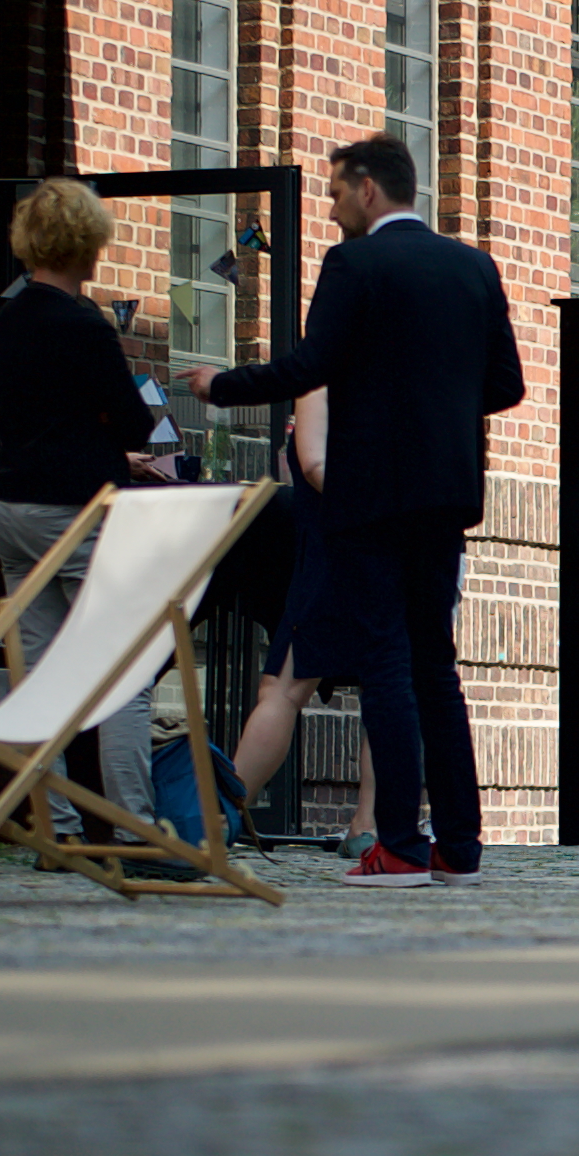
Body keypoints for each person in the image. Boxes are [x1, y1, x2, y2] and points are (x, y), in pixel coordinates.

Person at [185, 134, 524, 891]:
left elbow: (309, 368)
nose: (332, 206)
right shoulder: (474, 267)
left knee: (385, 665)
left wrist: (220, 385)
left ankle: (398, 845)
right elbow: (506, 384)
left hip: (370, 495)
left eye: (338, 191)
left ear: (370, 190)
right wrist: (438, 406)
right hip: (444, 495)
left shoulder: (355, 265)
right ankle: (458, 848)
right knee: (437, 666)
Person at [0, 177, 182, 875]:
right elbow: (133, 420)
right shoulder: (85, 324)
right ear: (86, 245)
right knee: (125, 668)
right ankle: (131, 831)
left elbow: (26, 414)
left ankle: (57, 831)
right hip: (75, 511)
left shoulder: (8, 316)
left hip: (10, 506)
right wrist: (112, 447)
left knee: (38, 675)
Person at [229, 386, 352, 822]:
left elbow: (316, 465)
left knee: (281, 690)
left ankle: (221, 815)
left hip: (335, 551)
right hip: (392, 550)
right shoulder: (405, 376)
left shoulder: (325, 383)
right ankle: (372, 826)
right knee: (389, 686)